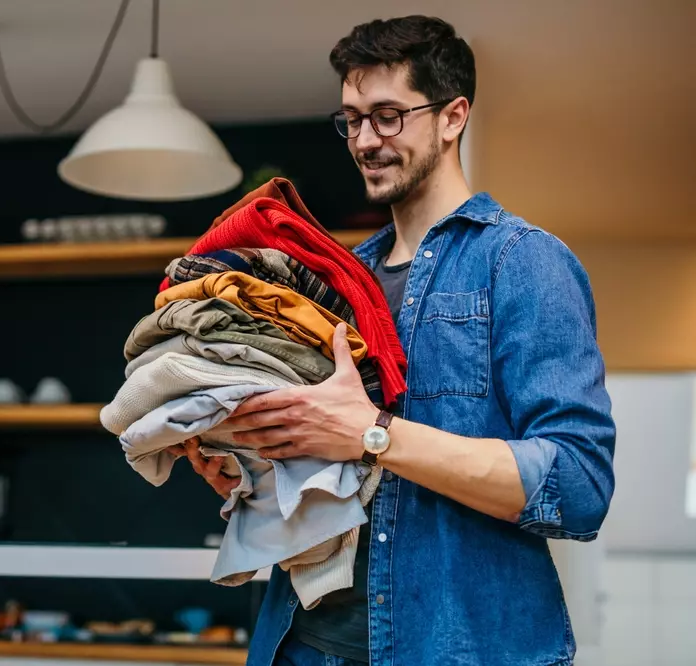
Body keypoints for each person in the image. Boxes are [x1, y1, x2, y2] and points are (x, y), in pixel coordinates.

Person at [174, 14, 616, 666]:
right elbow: (332, 476)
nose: (364, 140)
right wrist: (252, 472)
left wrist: (374, 434)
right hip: (299, 646)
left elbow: (578, 488)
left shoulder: (524, 262)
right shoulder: (335, 278)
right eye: (351, 119)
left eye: (387, 115)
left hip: (455, 650)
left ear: (452, 116)